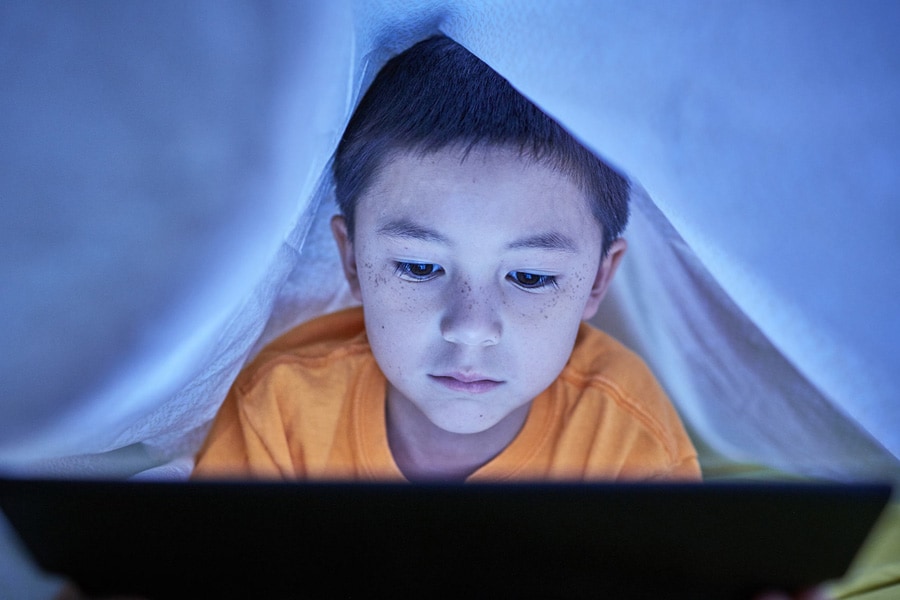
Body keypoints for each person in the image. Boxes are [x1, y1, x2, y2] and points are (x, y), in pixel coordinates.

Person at [192, 34, 700, 483]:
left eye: (529, 276)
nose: (471, 328)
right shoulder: (281, 411)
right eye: (418, 267)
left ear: (597, 279)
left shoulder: (627, 438)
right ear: (351, 261)